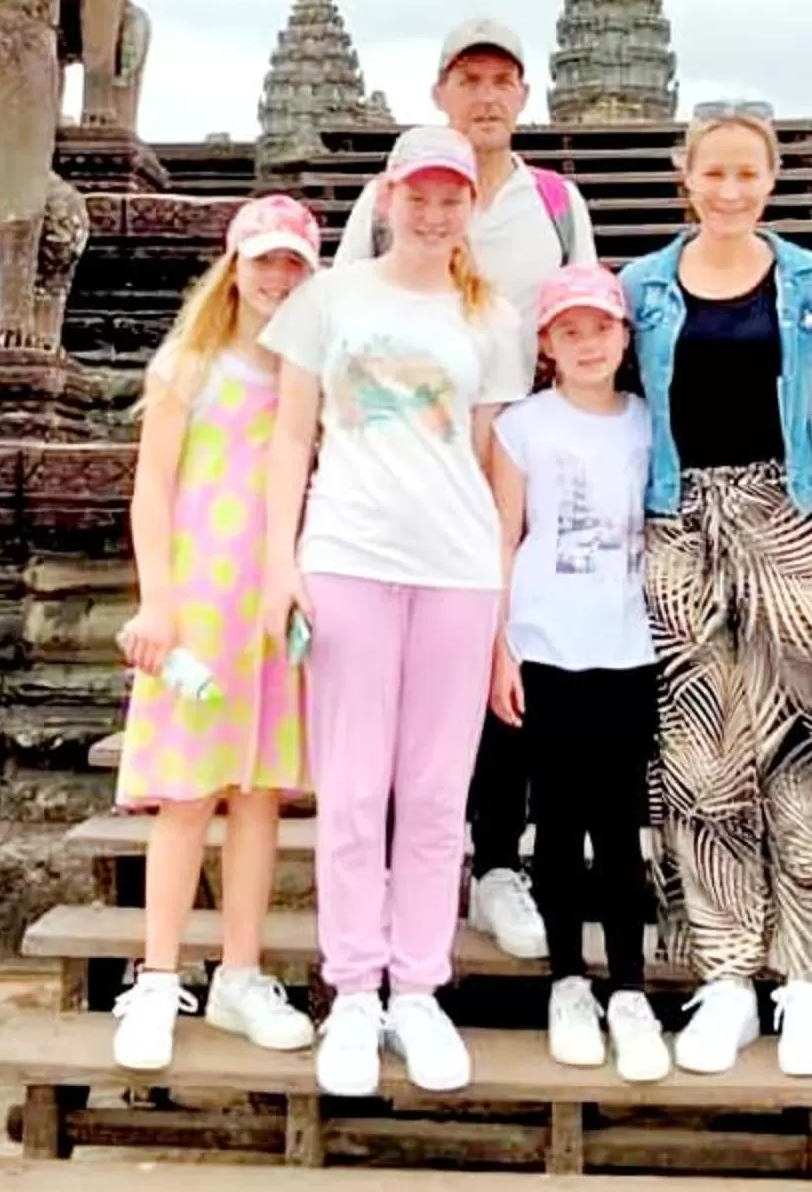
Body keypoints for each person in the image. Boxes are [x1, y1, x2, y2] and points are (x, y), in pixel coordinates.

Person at [265, 125, 532, 1098]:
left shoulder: (493, 315)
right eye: (417, 193)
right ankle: (352, 989)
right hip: (347, 555)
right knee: (351, 787)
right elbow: (292, 433)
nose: (431, 210)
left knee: (431, 794)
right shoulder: (328, 298)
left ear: (470, 204)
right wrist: (278, 562)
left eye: (450, 195)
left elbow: (498, 458)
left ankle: (418, 986)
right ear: (387, 197)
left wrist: (503, 590)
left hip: (457, 567)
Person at [337, 16, 595, 965]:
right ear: (441, 92)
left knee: (506, 654)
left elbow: (581, 317)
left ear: (524, 97)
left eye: (503, 81)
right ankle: (416, 870)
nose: (486, 97)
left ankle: (496, 863)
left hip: (519, 445)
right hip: (406, 458)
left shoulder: (557, 204)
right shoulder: (391, 200)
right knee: (412, 663)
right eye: (468, 79)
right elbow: (344, 339)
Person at [616, 104, 812, 1079]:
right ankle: (724, 973)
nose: (728, 189)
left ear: (771, 176)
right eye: (712, 171)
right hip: (675, 519)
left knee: (804, 738)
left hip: (786, 511)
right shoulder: (641, 287)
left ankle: (808, 976)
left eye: (745, 173)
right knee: (700, 748)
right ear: (686, 174)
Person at [107, 195, 327, 1073]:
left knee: (259, 793)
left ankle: (240, 972)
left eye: (293, 265)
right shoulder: (190, 360)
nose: (277, 278)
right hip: (197, 597)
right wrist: (155, 601)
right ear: (233, 266)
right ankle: (159, 973)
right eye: (263, 260)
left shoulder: (308, 369)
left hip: (272, 601)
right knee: (186, 794)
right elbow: (150, 489)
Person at [488, 261, 671, 1083]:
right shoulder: (522, 427)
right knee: (556, 820)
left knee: (620, 821)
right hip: (545, 644)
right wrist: (497, 647)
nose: (588, 342)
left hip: (629, 645)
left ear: (625, 338)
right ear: (546, 346)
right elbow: (502, 536)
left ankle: (628, 988)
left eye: (602, 327)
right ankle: (568, 979)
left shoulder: (646, 421)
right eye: (571, 330)